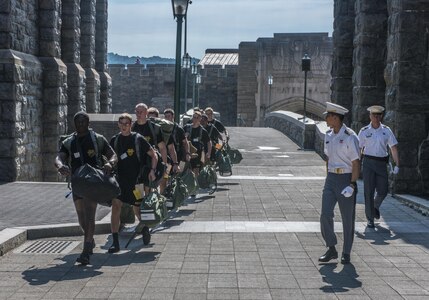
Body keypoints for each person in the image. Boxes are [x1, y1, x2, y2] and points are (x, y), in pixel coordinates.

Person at [55, 111, 117, 265]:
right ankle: (90, 239)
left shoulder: (98, 139)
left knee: (90, 216)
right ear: (74, 124)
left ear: (89, 123)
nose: (81, 124)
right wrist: (60, 166)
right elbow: (59, 157)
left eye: (84, 122)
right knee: (81, 217)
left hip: (93, 181)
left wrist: (110, 163)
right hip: (77, 182)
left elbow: (113, 155)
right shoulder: (69, 141)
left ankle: (86, 250)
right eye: (78, 122)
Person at [108, 113, 158, 253]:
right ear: (118, 124)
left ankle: (145, 228)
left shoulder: (138, 139)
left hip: (137, 182)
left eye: (127, 123)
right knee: (116, 207)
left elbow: (153, 155)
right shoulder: (114, 140)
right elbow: (108, 157)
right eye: (121, 123)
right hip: (119, 181)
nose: (124, 126)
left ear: (131, 125)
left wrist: (153, 170)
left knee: (137, 209)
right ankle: (115, 241)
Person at [319, 102, 360, 265]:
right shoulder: (328, 135)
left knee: (347, 218)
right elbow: (328, 158)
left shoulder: (350, 136)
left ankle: (346, 252)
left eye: (328, 116)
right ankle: (331, 247)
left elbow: (356, 162)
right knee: (325, 214)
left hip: (346, 179)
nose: (326, 119)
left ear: (336, 118)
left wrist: (352, 184)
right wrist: (328, 176)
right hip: (331, 179)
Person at [358, 105, 399, 228]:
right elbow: (359, 149)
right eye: (373, 115)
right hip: (368, 163)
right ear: (370, 116)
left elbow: (393, 148)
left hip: (381, 163)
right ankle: (370, 219)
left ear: (381, 116)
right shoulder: (364, 131)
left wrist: (397, 165)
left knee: (383, 190)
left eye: (378, 115)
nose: (376, 117)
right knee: (368, 191)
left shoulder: (386, 130)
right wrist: (356, 164)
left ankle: (375, 206)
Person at [132, 103, 170, 194]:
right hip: (136, 162)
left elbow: (162, 148)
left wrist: (164, 166)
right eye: (137, 112)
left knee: (147, 187)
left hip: (151, 161)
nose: (138, 114)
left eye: (141, 112)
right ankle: (140, 204)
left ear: (146, 112)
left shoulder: (154, 128)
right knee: (138, 188)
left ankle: (148, 203)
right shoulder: (132, 127)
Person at [183, 110, 212, 178]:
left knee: (196, 169)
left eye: (197, 117)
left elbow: (209, 142)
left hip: (197, 153)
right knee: (186, 169)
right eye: (194, 117)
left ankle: (195, 184)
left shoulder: (202, 130)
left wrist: (209, 153)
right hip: (187, 152)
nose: (195, 119)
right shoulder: (186, 128)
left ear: (200, 119)